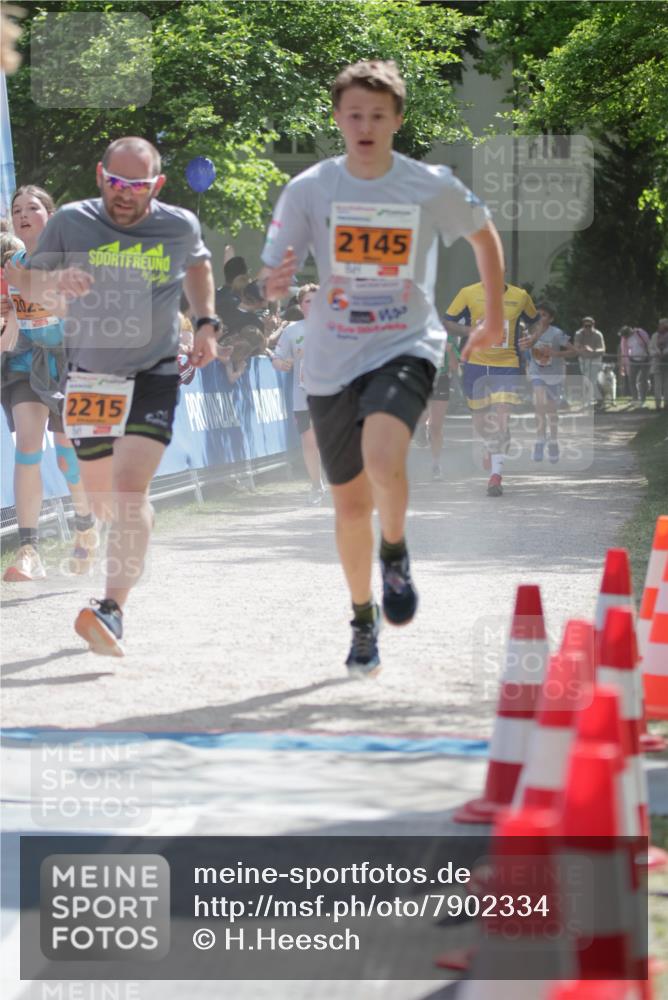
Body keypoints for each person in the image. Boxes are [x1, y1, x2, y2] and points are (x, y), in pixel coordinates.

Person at [259, 60, 504, 676]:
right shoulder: (310, 188)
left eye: (377, 115)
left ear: (397, 119)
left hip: (404, 344)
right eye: (354, 115)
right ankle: (362, 619)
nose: (365, 126)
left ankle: (393, 551)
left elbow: (483, 235)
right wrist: (275, 281)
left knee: (383, 455)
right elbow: (272, 271)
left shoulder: (428, 184)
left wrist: (495, 317)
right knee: (348, 507)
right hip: (330, 359)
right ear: (338, 119)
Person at [6, 137, 220, 655]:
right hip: (89, 376)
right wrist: (55, 283)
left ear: (157, 185)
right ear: (102, 177)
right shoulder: (72, 221)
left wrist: (207, 322)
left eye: (137, 186)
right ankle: (119, 531)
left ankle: (112, 609)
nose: (125, 194)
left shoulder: (178, 225)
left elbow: (198, 266)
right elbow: (26, 285)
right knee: (103, 497)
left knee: (128, 491)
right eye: (116, 183)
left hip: (153, 372)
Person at [1, 186, 98, 582]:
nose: (23, 215)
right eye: (17, 209)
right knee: (27, 446)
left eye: (32, 208)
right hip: (27, 362)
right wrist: (8, 317)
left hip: (70, 362)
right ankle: (29, 550)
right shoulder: (11, 265)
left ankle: (85, 524)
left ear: (51, 215)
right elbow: (11, 319)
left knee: (66, 457)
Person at [444, 277, 537, 497]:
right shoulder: (467, 292)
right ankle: (490, 443)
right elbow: (447, 322)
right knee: (481, 424)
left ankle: (495, 477)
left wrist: (533, 338)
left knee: (501, 418)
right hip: (475, 365)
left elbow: (536, 320)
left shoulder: (520, 296)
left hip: (507, 365)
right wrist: (470, 331)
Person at [272, 283, 325, 504]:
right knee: (309, 441)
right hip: (303, 396)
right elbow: (277, 358)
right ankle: (316, 486)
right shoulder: (292, 331)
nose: (312, 305)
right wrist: (282, 364)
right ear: (301, 305)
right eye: (307, 301)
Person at [521, 302, 575, 463]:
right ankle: (539, 440)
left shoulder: (557, 333)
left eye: (544, 315)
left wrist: (555, 353)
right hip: (537, 374)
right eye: (538, 314)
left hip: (553, 376)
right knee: (539, 404)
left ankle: (553, 441)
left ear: (551, 319)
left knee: (551, 411)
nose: (540, 317)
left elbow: (573, 351)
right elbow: (523, 349)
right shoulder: (529, 332)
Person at [418, 332, 459, 481]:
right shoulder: (416, 333)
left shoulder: (446, 336)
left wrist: (450, 351)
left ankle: (436, 464)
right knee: (422, 415)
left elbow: (454, 366)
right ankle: (421, 426)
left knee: (436, 426)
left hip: (441, 379)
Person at [573, 316, 605, 406]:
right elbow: (576, 347)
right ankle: (594, 399)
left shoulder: (598, 334)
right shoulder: (579, 334)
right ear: (583, 326)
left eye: (589, 326)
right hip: (583, 359)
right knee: (586, 379)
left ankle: (595, 399)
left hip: (595, 358)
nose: (587, 328)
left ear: (593, 325)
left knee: (593, 379)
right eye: (585, 326)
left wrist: (593, 350)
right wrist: (583, 348)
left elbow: (602, 349)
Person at [650, 318, 668, 410]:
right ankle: (658, 404)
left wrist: (665, 352)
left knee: (666, 385)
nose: (661, 326)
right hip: (657, 363)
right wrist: (656, 353)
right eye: (660, 324)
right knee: (657, 385)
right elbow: (650, 348)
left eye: (663, 324)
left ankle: (666, 404)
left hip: (666, 362)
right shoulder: (654, 336)